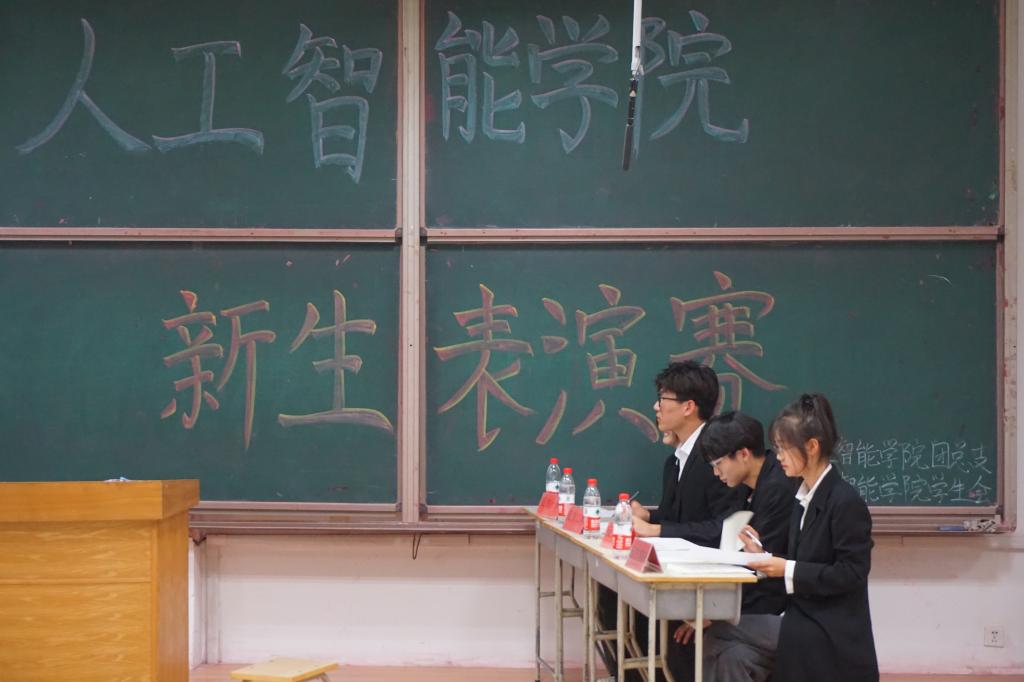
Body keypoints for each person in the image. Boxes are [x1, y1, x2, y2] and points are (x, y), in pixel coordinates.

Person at [597, 362, 743, 681]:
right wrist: (648, 515)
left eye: (662, 400)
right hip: (677, 568)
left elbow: (727, 528)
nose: (655, 407)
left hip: (709, 576)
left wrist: (656, 529)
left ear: (688, 407)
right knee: (610, 592)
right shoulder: (676, 459)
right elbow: (678, 515)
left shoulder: (716, 456)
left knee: (627, 605)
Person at [746, 394, 879, 682]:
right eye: (776, 447)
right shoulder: (802, 498)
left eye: (784, 448)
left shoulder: (845, 501)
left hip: (831, 629)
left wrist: (786, 568)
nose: (778, 456)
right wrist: (763, 557)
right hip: (804, 617)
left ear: (812, 447)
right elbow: (803, 562)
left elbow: (851, 573)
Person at [669, 411, 797, 682]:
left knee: (709, 636)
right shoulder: (744, 486)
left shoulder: (778, 489)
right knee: (730, 656)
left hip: (783, 608)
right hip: (759, 606)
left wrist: (716, 614)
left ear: (743, 454)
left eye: (719, 464)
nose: (716, 473)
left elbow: (768, 576)